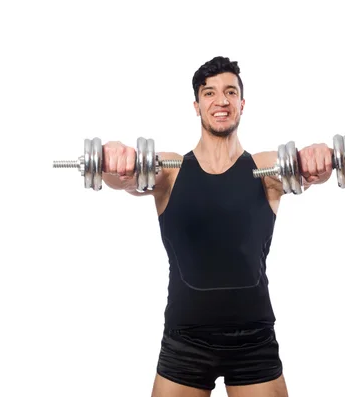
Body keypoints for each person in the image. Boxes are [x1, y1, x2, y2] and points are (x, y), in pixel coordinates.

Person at [101, 56, 333, 397]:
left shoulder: (267, 168)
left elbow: (306, 171)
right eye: (209, 93)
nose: (220, 101)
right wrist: (111, 160)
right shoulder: (169, 169)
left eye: (230, 92)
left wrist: (319, 157)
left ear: (242, 103)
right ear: (196, 105)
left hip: (254, 340)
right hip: (186, 340)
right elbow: (125, 181)